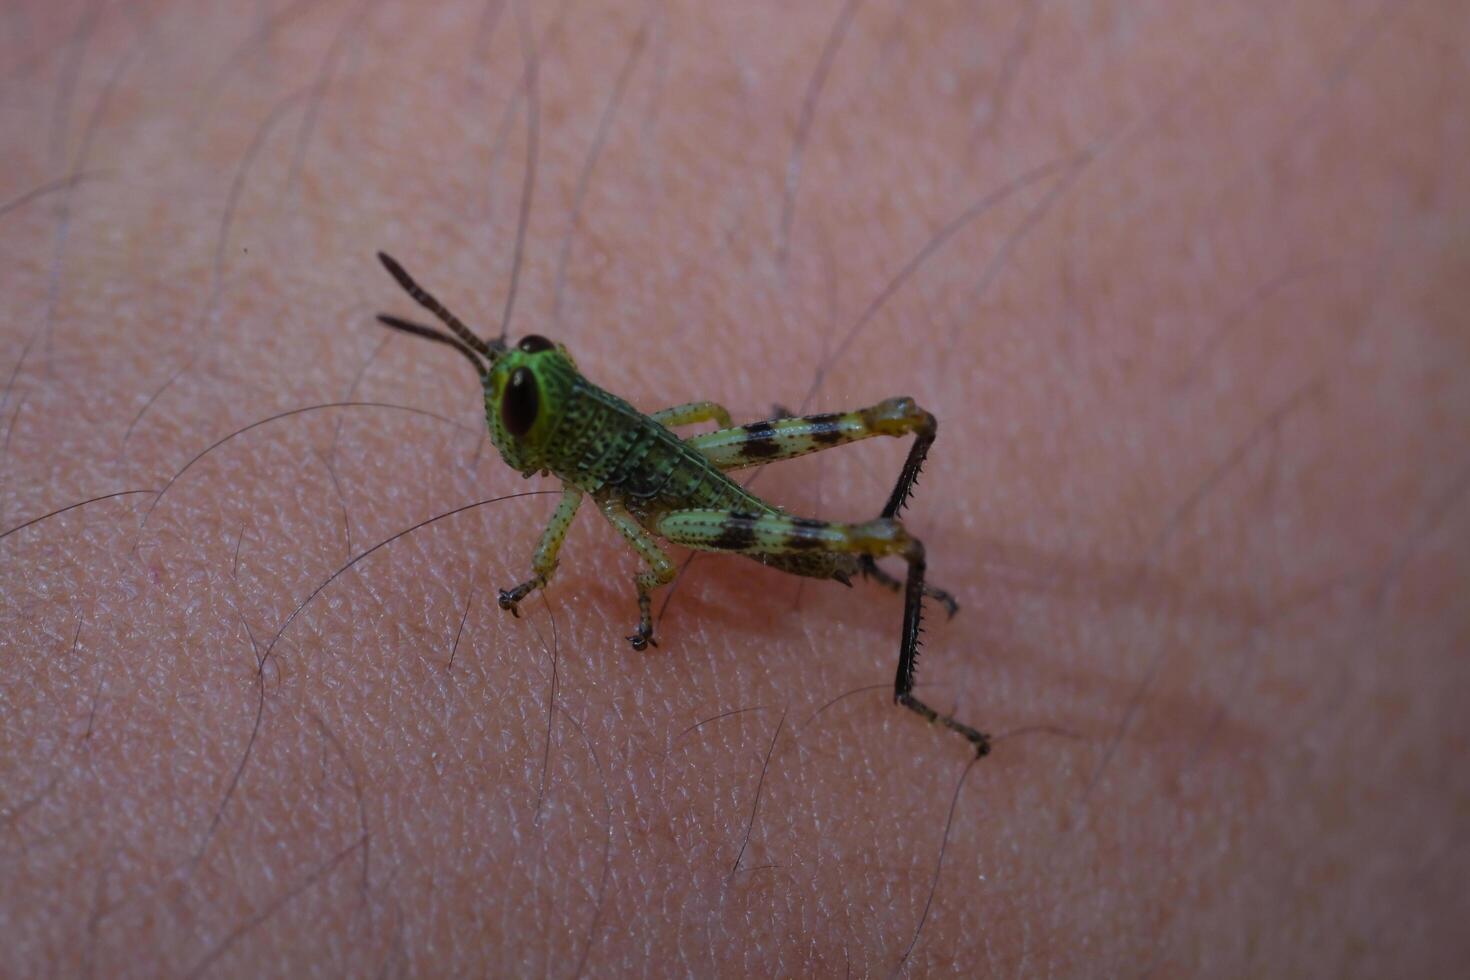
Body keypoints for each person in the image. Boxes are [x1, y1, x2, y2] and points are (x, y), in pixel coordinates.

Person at [3, 1, 1465, 974]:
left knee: (849, 483)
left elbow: (632, 522)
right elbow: (671, 432)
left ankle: (897, 650)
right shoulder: (577, 423)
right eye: (513, 388)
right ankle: (875, 553)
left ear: (544, 403)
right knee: (773, 484)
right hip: (695, 473)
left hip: (709, 506)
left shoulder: (581, 480)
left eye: (517, 384)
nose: (513, 411)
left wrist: (626, 580)